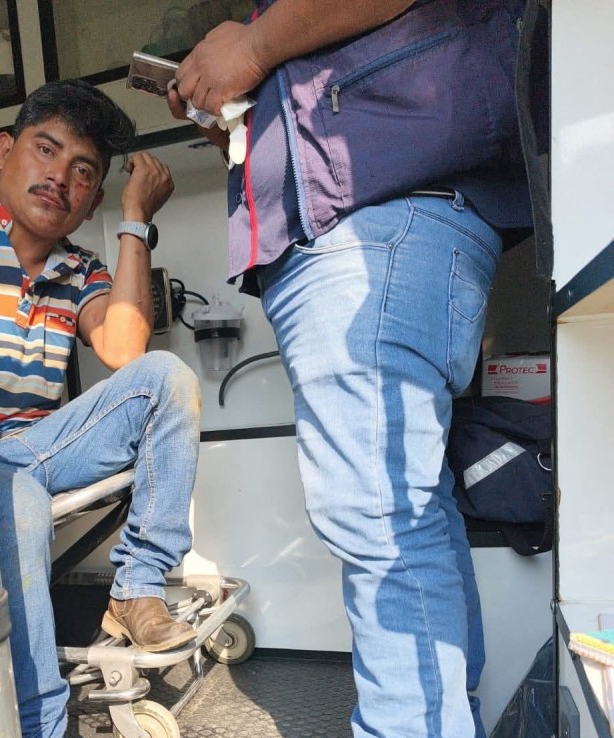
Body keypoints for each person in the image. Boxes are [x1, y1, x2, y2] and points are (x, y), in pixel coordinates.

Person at [168, 1, 532, 737]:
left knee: (379, 514)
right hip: (387, 223)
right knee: (410, 508)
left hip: (376, 222)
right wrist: (235, 108)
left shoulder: (277, 28)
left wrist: (253, 46)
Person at [0, 79, 202, 738]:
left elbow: (125, 348)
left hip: (32, 449)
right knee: (18, 498)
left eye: (83, 172)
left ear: (93, 200)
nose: (59, 178)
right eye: (45, 150)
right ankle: (39, 726)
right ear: (4, 151)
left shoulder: (80, 269)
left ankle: (136, 589)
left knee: (165, 377)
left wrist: (135, 215)